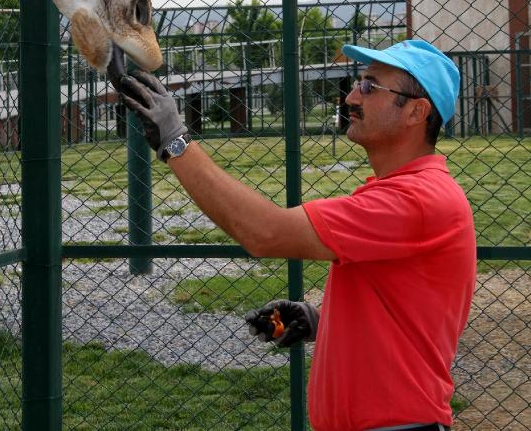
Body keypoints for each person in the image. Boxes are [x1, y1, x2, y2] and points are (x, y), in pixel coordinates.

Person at [119, 39, 476, 431]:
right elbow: (408, 312)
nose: (353, 95)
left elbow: (265, 233)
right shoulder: (401, 192)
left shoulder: (417, 199)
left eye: (372, 86)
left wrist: (176, 141)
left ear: (416, 112)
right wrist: (323, 322)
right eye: (359, 81)